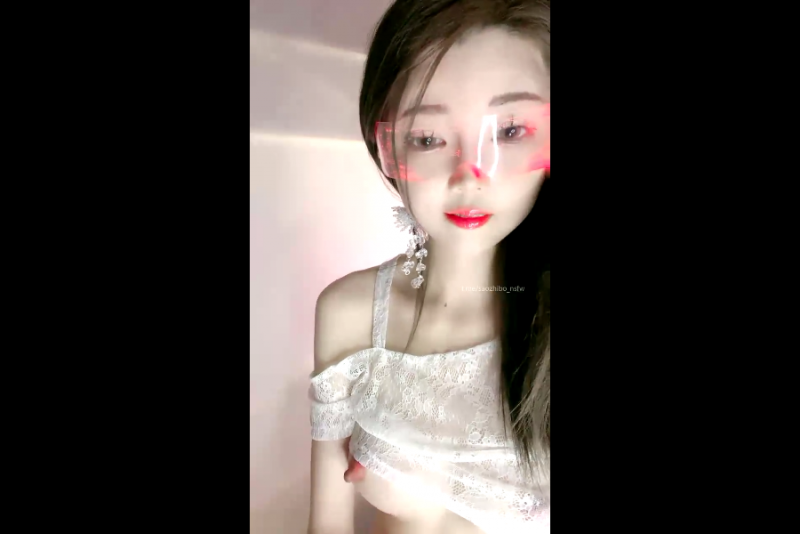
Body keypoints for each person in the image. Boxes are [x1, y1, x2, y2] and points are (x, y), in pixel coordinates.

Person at [308, 1, 550, 532]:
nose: (470, 175)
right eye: (428, 137)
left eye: (510, 131)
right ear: (388, 149)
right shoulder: (349, 313)